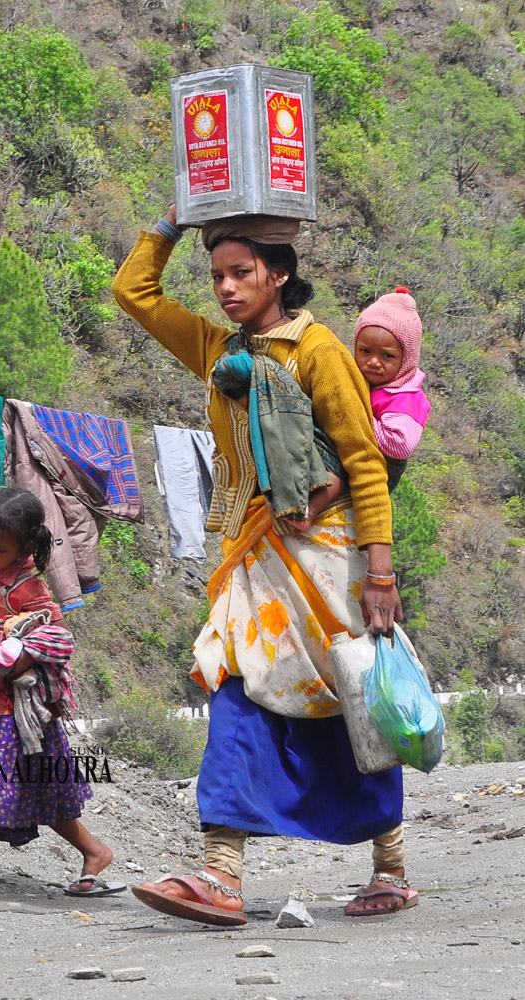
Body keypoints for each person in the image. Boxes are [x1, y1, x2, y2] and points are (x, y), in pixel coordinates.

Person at [111, 206, 417, 924]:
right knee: (237, 691)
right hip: (255, 558)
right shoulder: (219, 352)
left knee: (354, 703)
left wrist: (381, 574)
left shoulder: (318, 352)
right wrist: (171, 222)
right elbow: (134, 294)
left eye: (240, 272)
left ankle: (391, 864)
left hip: (328, 558)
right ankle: (221, 872)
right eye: (216, 275)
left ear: (278, 274)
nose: (224, 286)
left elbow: (365, 464)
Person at [0, 486, 123, 899]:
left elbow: (59, 637)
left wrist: (22, 653)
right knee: (43, 790)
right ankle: (95, 852)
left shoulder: (24, 588)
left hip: (15, 707)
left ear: (23, 550)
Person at [301, 286, 431, 527]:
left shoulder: (405, 397)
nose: (373, 362)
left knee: (337, 474)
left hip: (383, 466)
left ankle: (307, 512)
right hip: (357, 448)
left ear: (407, 359)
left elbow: (399, 445)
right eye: (365, 351)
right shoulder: (367, 381)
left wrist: (354, 419)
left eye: (387, 356)